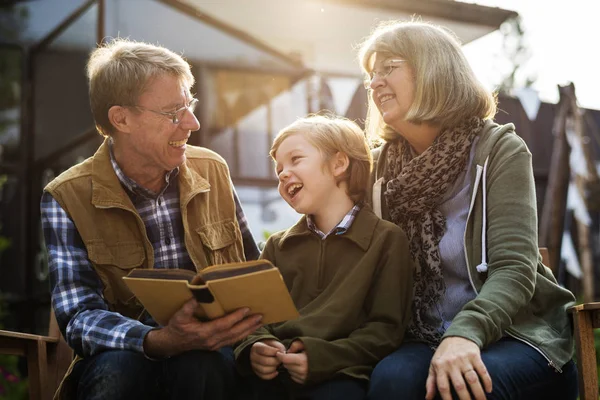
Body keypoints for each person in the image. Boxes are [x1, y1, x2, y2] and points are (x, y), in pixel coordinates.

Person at [358, 21, 578, 400]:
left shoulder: (498, 151)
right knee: (390, 382)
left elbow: (514, 267)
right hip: (424, 335)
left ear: (433, 69)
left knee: (466, 387)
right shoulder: (377, 169)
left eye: (388, 67)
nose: (375, 83)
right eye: (371, 75)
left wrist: (466, 332)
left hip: (517, 332)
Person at [40, 38, 263, 400]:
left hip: (213, 353)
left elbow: (251, 271)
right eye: (174, 112)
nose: (192, 122)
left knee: (202, 364)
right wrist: (158, 340)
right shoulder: (65, 196)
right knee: (121, 370)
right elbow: (79, 317)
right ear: (121, 119)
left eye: (189, 104)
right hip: (122, 358)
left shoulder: (214, 169)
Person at [234, 115, 414, 400]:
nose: (282, 174)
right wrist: (257, 346)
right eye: (279, 168)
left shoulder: (387, 240)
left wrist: (322, 358)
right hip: (273, 376)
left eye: (295, 159)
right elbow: (256, 320)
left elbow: (385, 331)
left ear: (339, 164)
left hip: (340, 375)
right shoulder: (277, 247)